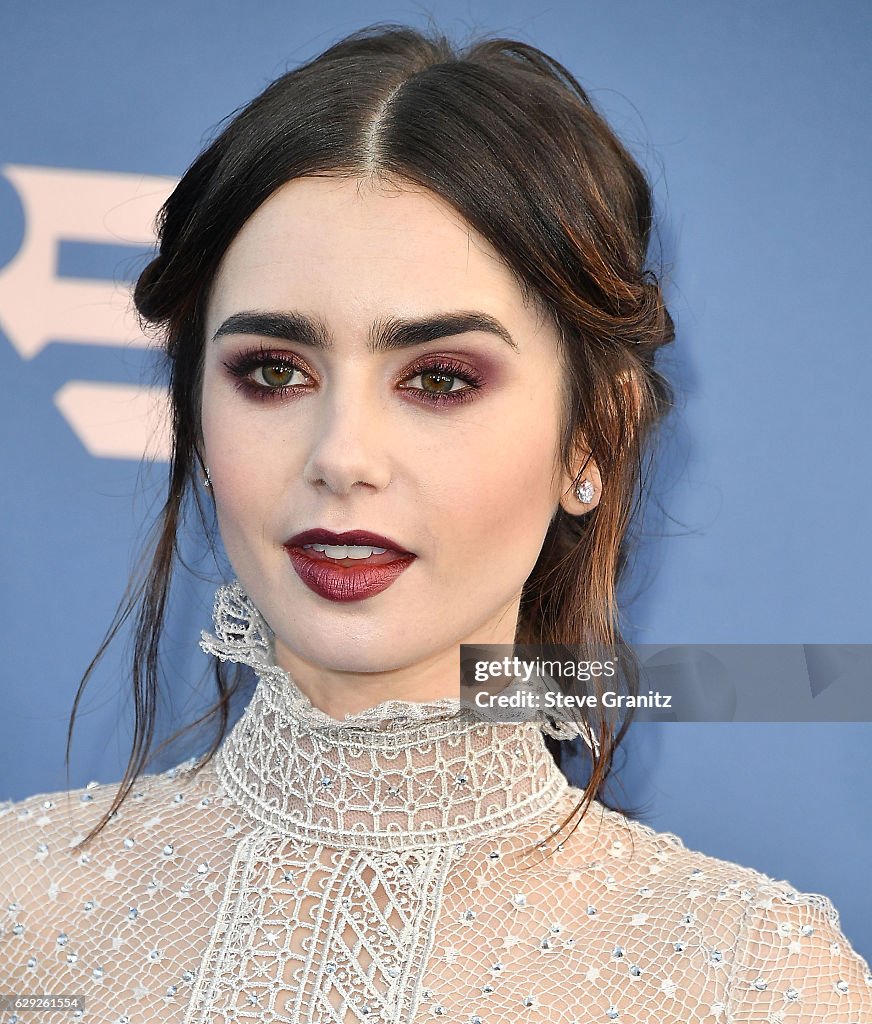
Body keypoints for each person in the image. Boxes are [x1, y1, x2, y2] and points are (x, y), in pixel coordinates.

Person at [1, 22, 870, 1024]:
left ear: (590, 438)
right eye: (273, 372)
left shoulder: (748, 978)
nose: (342, 455)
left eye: (439, 379)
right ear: (197, 413)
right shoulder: (19, 904)